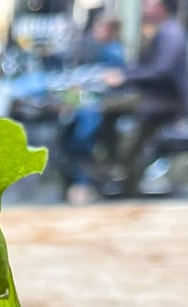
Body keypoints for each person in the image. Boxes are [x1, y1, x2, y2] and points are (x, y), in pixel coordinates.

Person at [99, 0, 188, 194]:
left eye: (149, 3)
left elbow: (161, 71)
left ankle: (126, 182)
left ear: (162, 6)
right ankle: (116, 167)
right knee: (108, 108)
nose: (145, 7)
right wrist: (125, 74)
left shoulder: (171, 32)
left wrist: (124, 77)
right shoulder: (162, 30)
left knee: (127, 140)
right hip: (154, 98)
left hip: (164, 102)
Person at [62, 15, 126, 204]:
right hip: (83, 104)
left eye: (101, 29)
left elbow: (112, 82)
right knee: (71, 138)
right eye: (96, 28)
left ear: (111, 31)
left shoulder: (113, 52)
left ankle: (83, 184)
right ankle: (77, 182)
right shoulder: (92, 48)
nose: (96, 33)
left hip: (99, 107)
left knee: (83, 139)